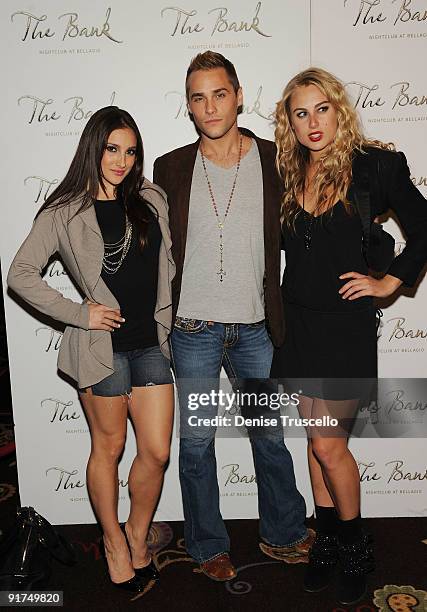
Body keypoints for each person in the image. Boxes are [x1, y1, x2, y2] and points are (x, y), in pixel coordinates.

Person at [153, 51, 313, 581]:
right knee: (196, 443)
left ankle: (284, 532)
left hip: (255, 329)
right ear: (189, 107)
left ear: (239, 95)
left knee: (268, 436)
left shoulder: (275, 158)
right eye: (198, 97)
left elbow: (316, 211)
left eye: (219, 93)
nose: (210, 106)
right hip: (193, 330)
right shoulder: (170, 167)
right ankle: (206, 546)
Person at [272, 67, 427, 605]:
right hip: (299, 327)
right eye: (300, 112)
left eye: (322, 109)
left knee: (327, 445)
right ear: (288, 122)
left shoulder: (375, 167)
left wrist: (389, 282)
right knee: (315, 448)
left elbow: (423, 227)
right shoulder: (289, 173)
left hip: (344, 330)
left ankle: (357, 547)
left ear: (339, 109)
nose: (313, 122)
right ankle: (330, 544)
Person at [8, 106, 175, 592]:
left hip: (151, 343)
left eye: (130, 151)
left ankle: (137, 532)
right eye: (112, 149)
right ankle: (114, 542)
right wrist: (81, 313)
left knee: (158, 452)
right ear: (93, 148)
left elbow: (166, 267)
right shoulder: (64, 212)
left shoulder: (150, 199)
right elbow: (20, 274)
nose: (122, 160)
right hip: (101, 349)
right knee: (110, 447)